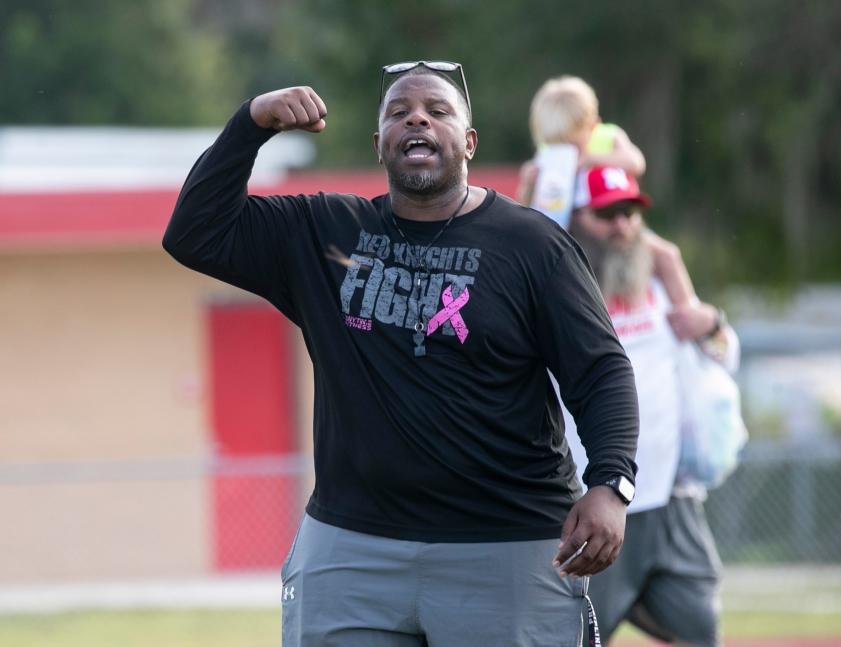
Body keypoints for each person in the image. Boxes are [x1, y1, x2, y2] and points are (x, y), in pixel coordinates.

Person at [163, 62, 640, 647]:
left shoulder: (533, 245)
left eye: (438, 111)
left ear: (468, 143)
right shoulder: (326, 232)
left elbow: (601, 372)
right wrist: (251, 124)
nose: (417, 117)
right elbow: (194, 231)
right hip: (352, 547)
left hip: (506, 544)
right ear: (379, 144)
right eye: (398, 112)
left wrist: (611, 484)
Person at [564, 166, 739, 647]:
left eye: (630, 213)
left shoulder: (659, 284)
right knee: (576, 637)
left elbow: (724, 357)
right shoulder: (562, 292)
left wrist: (712, 326)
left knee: (701, 630)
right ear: (576, 218)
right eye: (607, 214)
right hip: (594, 501)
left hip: (671, 500)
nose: (622, 226)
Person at [517, 75, 646, 208]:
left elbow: (636, 163)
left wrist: (592, 159)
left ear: (592, 126)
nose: (564, 150)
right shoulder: (547, 153)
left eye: (572, 144)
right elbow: (529, 206)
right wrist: (529, 185)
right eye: (556, 145)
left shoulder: (608, 136)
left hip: (616, 213)